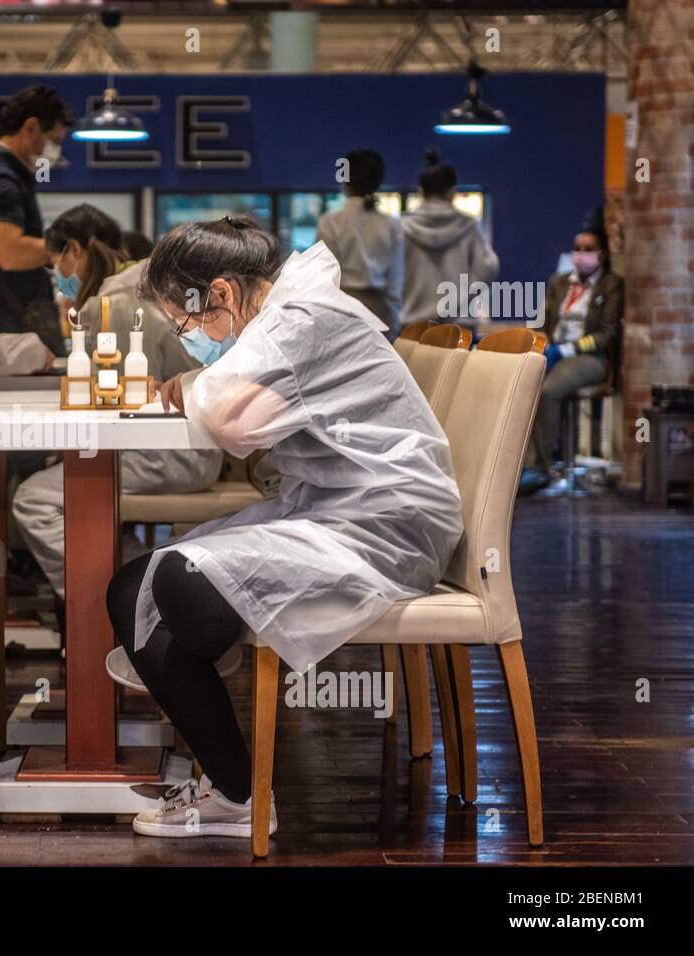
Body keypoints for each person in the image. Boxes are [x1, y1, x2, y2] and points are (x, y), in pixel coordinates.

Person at [106, 216, 462, 842]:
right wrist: (201, 380)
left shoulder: (305, 319)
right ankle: (234, 792)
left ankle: (235, 786)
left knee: (181, 589)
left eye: (187, 323)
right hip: (334, 509)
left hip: (390, 524)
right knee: (132, 587)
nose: (190, 340)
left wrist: (192, 382)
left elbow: (230, 419)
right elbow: (237, 405)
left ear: (220, 292)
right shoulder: (287, 315)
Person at [12, 204, 222, 605]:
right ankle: (141, 589)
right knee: (70, 487)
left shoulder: (118, 302)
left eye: (55, 263)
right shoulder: (135, 285)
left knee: (34, 500)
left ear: (73, 251)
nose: (58, 276)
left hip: (171, 455)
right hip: (181, 445)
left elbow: (121, 404)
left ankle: (122, 607)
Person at [0, 85, 73, 350]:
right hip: (10, 327)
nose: (55, 150)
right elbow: (10, 253)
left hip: (8, 322)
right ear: (31, 128)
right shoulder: (1, 182)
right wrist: (68, 250)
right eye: (54, 141)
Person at [519, 212, 624, 495]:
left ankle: (539, 468)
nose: (581, 254)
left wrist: (570, 349)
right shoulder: (560, 282)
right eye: (577, 248)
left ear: (601, 254)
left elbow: (607, 334)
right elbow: (542, 323)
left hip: (591, 358)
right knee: (524, 385)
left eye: (588, 249)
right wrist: (540, 346)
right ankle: (518, 465)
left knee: (548, 390)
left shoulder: (610, 284)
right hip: (554, 352)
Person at [400, 148, 499, 331]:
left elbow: (390, 276)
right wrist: (462, 299)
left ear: (421, 192)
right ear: (452, 192)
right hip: (458, 329)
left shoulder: (403, 228)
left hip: (413, 327)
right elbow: (488, 268)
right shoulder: (468, 226)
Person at [315, 148, 403, 337]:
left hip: (341, 311)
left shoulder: (330, 221)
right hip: (383, 313)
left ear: (345, 182)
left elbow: (324, 276)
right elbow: (396, 281)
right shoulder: (392, 224)